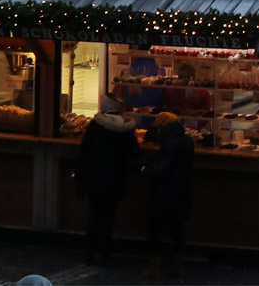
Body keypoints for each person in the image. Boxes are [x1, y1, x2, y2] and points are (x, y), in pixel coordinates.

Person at [73, 94, 140, 267]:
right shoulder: (126, 129)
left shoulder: (96, 125)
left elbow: (84, 150)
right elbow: (134, 153)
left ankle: (89, 253)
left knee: (94, 215)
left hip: (94, 178)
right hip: (115, 179)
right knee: (108, 217)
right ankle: (104, 254)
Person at [143, 110, 193, 277]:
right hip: (180, 190)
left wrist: (146, 170)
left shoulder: (169, 143)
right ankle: (178, 264)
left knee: (154, 228)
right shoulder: (185, 139)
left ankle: (154, 266)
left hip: (165, 191)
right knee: (175, 227)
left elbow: (164, 169)